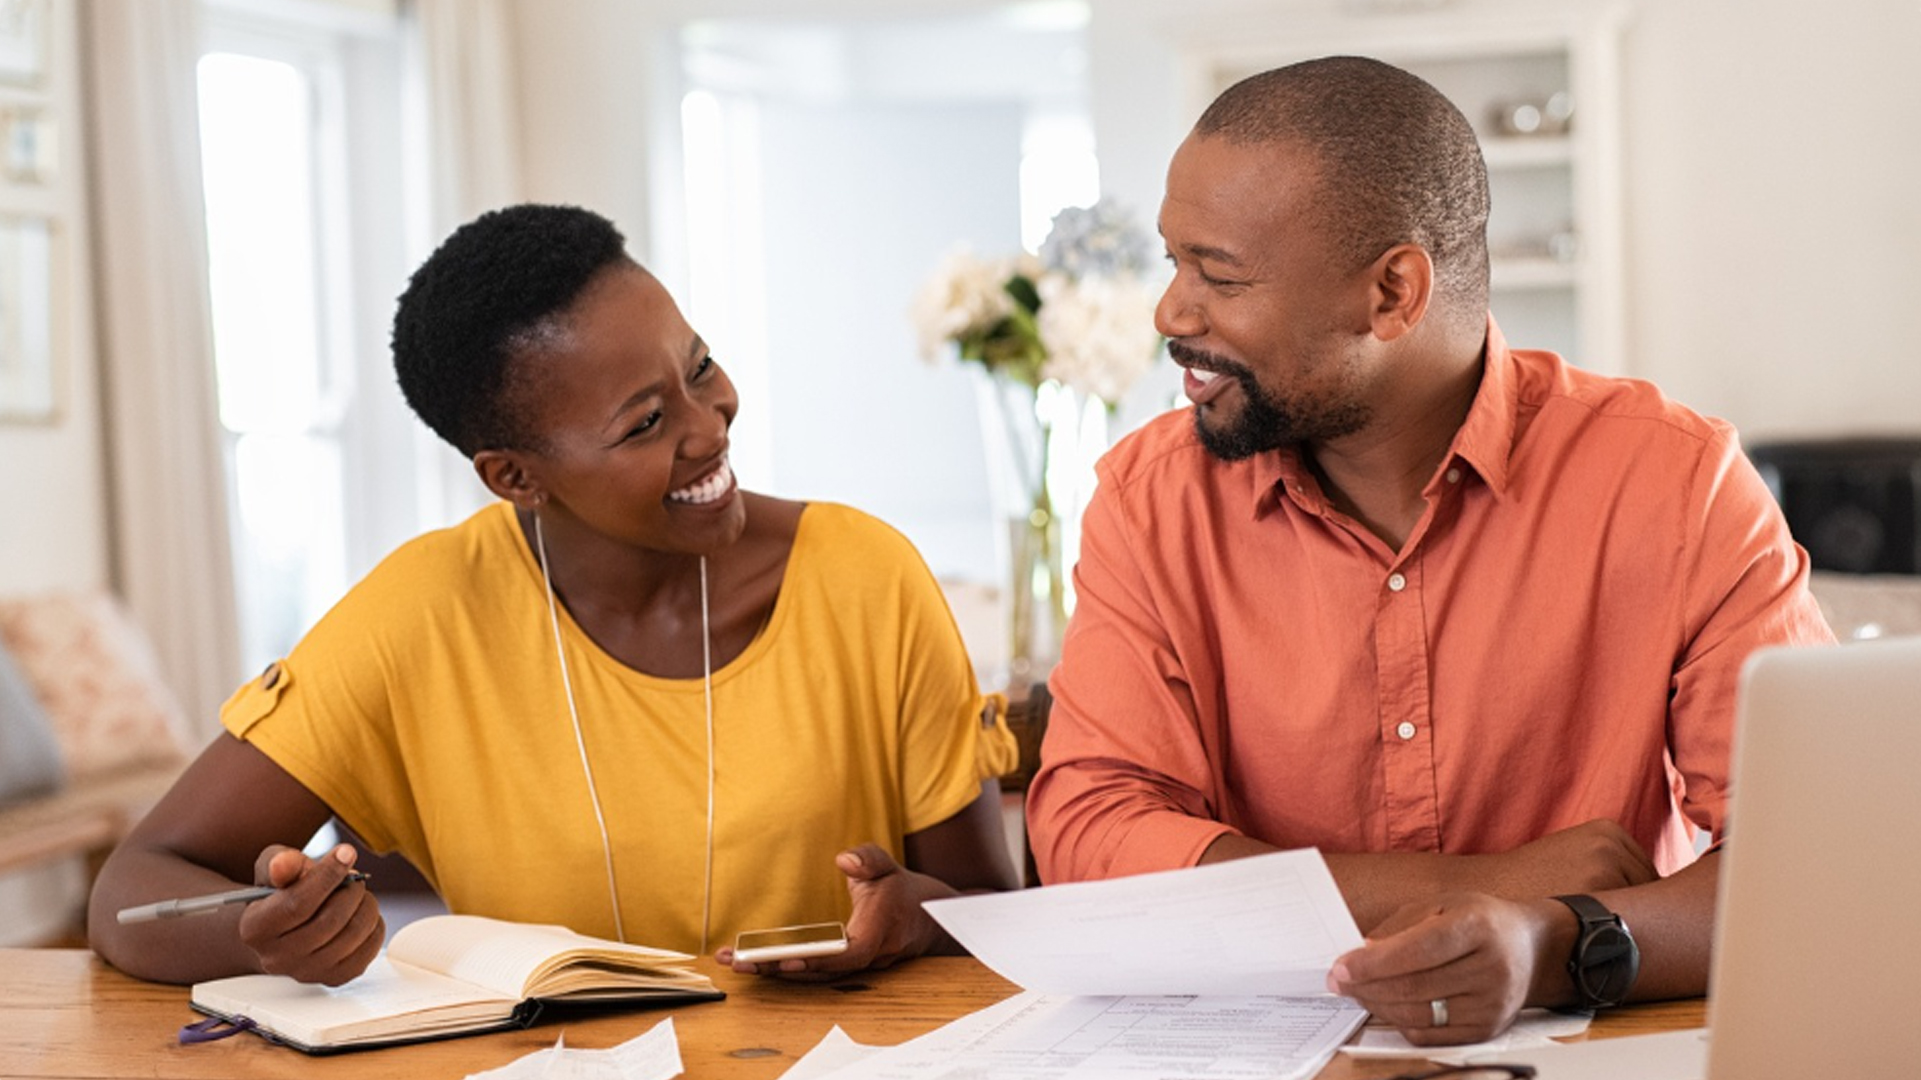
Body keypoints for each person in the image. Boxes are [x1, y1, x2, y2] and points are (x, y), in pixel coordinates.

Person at [1024, 56, 1833, 1046]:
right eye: (1173, 263)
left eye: (1220, 277)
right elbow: (1089, 835)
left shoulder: (1673, 482)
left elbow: (1812, 861)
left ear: (1393, 293)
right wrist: (1471, 888)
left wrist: (1549, 941)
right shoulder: (1150, 502)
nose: (1170, 314)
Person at [88, 203, 1020, 986]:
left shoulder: (865, 576)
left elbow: (990, 910)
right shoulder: (421, 614)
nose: (709, 427)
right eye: (646, 422)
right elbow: (133, 887)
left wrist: (910, 920)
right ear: (514, 478)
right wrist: (263, 935)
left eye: (698, 367)